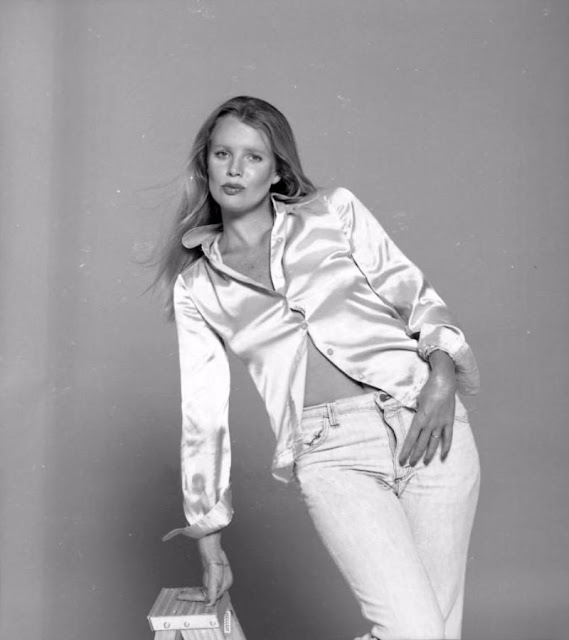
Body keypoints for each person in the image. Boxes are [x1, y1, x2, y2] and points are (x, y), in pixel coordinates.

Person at [155, 95, 481, 640]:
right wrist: (208, 538)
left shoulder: (334, 211)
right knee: (415, 631)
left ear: (276, 169)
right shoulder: (197, 286)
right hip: (332, 451)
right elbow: (202, 417)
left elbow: (416, 296)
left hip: (426, 420)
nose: (235, 169)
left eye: (253, 157)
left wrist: (443, 379)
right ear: (205, 163)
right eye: (222, 154)